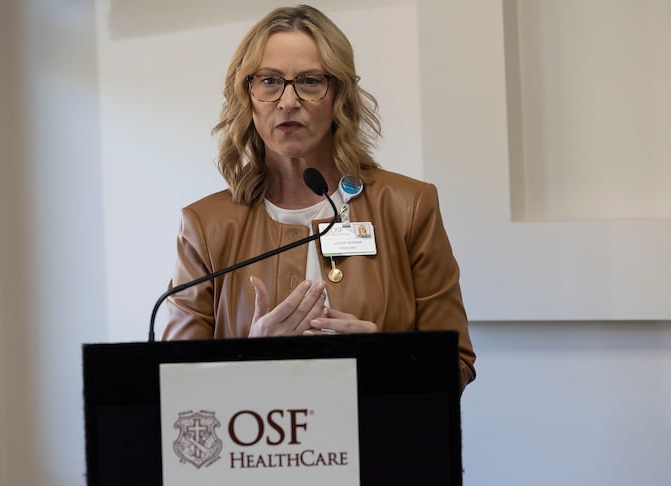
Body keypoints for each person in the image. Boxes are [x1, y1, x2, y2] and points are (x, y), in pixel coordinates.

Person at [163, 5, 475, 390]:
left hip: (377, 429)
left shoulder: (409, 207)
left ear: (339, 94)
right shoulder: (205, 226)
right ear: (247, 96)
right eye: (269, 81)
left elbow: (456, 365)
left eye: (310, 81)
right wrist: (250, 356)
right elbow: (175, 386)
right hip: (256, 431)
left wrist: (382, 359)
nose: (288, 101)